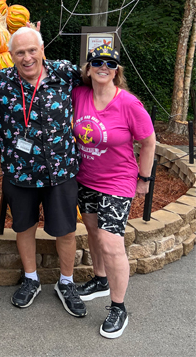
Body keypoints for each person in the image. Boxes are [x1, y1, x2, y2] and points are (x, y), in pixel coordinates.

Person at [0, 26, 87, 317]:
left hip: (60, 171)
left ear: (42, 50)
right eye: (20, 52)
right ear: (11, 55)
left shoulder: (63, 72)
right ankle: (31, 279)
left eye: (32, 50)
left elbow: (97, 76)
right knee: (24, 227)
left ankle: (66, 282)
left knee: (65, 231)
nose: (27, 57)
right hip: (20, 172)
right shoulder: (0, 82)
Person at [72, 45, 155, 338]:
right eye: (97, 62)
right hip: (87, 178)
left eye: (110, 63)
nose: (103, 67)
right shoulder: (79, 94)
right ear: (89, 67)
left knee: (111, 242)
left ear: (117, 70)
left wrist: (144, 179)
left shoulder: (129, 103)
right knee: (93, 231)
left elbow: (148, 142)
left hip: (118, 182)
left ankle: (118, 307)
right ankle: (100, 280)